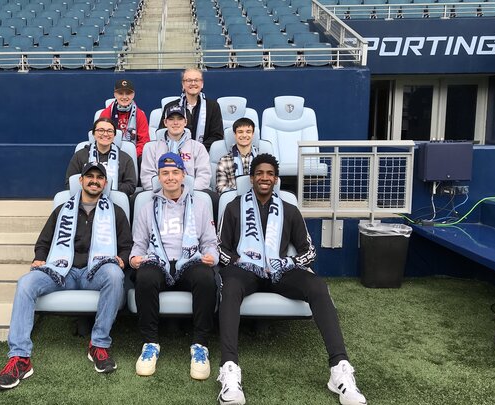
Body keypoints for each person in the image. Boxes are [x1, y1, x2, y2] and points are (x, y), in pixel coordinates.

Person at [215, 153, 367, 405]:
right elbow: (221, 248)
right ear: (251, 177)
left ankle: (339, 369)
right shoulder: (234, 206)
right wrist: (239, 262)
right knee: (229, 287)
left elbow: (309, 251)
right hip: (244, 272)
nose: (264, 178)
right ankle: (229, 371)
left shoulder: (289, 209)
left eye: (270, 174)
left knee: (317, 285)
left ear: (276, 180)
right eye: (260, 173)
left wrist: (290, 262)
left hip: (279, 271)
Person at [0, 162, 132, 390]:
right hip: (61, 272)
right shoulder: (62, 210)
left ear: (105, 183)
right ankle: (20, 358)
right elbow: (43, 242)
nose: (94, 181)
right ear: (81, 181)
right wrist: (39, 257)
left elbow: (127, 245)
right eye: (90, 177)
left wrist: (122, 259)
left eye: (99, 177)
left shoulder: (115, 212)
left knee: (115, 275)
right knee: (26, 282)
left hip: (93, 273)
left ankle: (98, 345)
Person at [129, 153, 219, 381]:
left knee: (206, 277)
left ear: (183, 175)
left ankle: (200, 345)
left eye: (175, 172)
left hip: (189, 259)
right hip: (158, 259)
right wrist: (134, 259)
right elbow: (139, 244)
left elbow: (209, 241)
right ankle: (150, 343)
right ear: (158, 177)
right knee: (145, 277)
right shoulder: (147, 208)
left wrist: (212, 256)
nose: (170, 178)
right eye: (165, 173)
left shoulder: (199, 205)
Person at [140, 104, 211, 192]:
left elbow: (204, 177)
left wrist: (183, 193)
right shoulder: (152, 148)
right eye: (171, 119)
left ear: (185, 122)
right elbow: (147, 177)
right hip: (160, 193)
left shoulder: (198, 147)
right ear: (165, 122)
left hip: (191, 193)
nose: (176, 123)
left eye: (180, 119)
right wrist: (167, 192)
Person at [66, 117, 137, 197]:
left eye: (109, 131)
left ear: (114, 135)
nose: (105, 134)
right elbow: (70, 182)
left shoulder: (125, 158)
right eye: (101, 130)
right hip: (85, 199)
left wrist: (103, 187)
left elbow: (131, 186)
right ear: (93, 134)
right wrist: (91, 190)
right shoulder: (80, 155)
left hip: (115, 199)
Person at [160, 68, 224, 151]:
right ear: (183, 84)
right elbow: (162, 133)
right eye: (189, 80)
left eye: (196, 80)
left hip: (204, 153)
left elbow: (217, 136)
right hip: (175, 153)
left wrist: (196, 149)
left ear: (202, 84)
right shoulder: (170, 107)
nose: (193, 83)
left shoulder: (213, 106)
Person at [99, 79, 150, 159]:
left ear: (133, 95)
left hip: (133, 155)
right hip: (109, 153)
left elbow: (144, 141)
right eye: (120, 93)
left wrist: (131, 155)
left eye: (128, 93)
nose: (124, 97)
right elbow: (100, 137)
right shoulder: (106, 113)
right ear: (115, 94)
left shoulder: (140, 114)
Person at [215, 118, 257, 194]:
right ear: (235, 134)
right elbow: (220, 188)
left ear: (253, 134)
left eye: (248, 132)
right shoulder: (224, 160)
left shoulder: (261, 159)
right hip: (233, 200)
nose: (244, 135)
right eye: (240, 132)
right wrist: (239, 192)